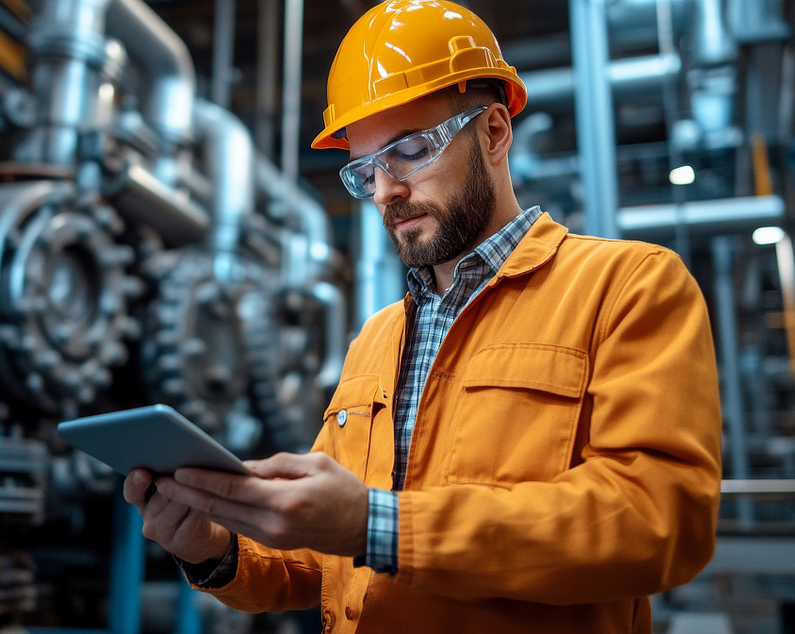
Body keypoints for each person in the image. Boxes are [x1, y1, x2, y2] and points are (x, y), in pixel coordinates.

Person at [123, 1, 722, 632]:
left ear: (494, 132)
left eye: (409, 150)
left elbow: (658, 521)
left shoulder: (627, 287)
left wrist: (374, 525)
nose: (384, 191)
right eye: (365, 170)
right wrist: (215, 548)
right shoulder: (377, 339)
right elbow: (322, 560)